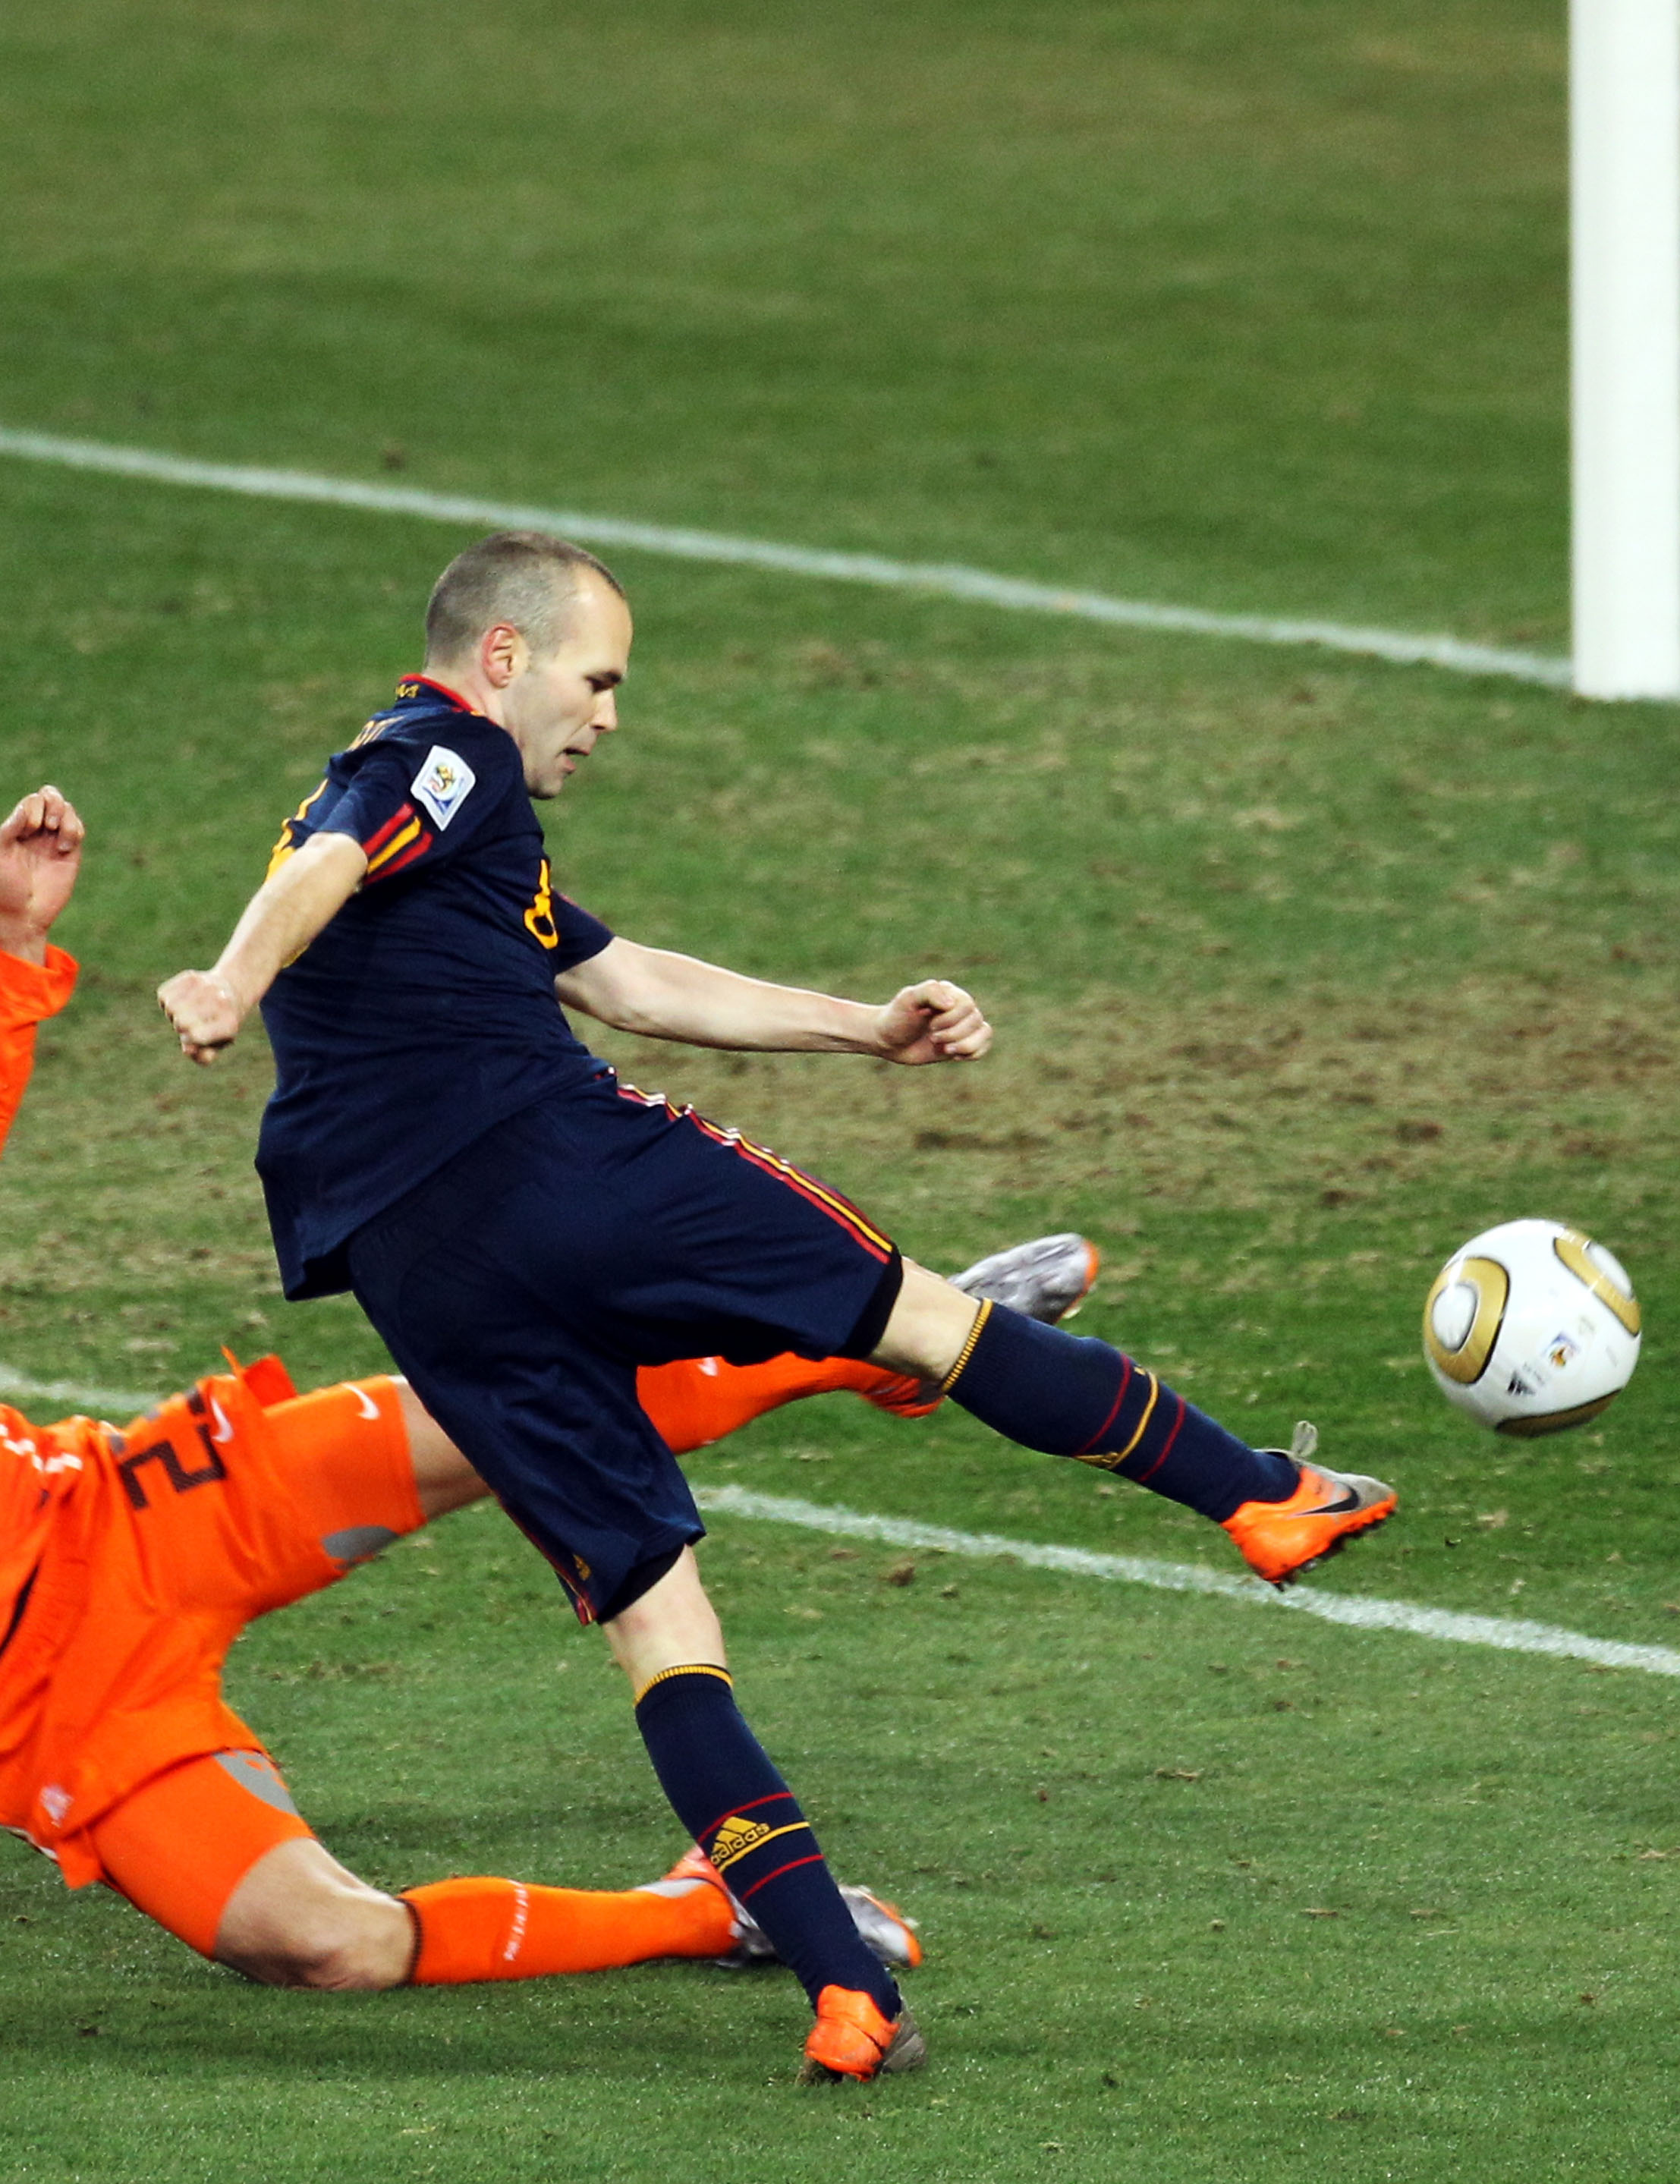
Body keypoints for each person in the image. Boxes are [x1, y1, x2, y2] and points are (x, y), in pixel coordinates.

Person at [0, 786, 1094, 2010]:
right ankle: (707, 1906)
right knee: (322, 1945)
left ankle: (883, 1336)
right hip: (57, 1719)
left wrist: (17, 950)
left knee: (503, 1407)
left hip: (130, 1509)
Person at [154, 532, 1402, 2082]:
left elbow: (626, 980)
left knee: (658, 1625)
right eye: (597, 679)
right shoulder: (445, 750)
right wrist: (226, 980)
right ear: (501, 658)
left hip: (421, 1269)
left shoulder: (460, 833)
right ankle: (1259, 1496)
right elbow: (324, 864)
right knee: (921, 1323)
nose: (607, 716)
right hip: (556, 1162)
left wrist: (860, 1029)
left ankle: (841, 1990)